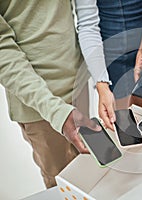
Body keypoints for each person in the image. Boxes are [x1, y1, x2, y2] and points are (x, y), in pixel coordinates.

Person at [0, 0, 101, 188]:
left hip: (78, 84)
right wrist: (55, 111)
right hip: (39, 104)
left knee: (89, 173)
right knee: (62, 185)